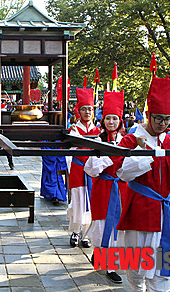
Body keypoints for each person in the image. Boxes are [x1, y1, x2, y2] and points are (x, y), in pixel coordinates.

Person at [113, 76, 170, 291]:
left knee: (164, 270)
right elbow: (123, 173)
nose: (163, 124)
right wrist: (143, 151)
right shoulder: (131, 140)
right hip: (140, 210)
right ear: (148, 115)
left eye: (167, 119)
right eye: (158, 118)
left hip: (167, 214)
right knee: (137, 267)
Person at [84, 91, 126, 284]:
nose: (111, 122)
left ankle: (111, 264)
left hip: (121, 189)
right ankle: (99, 254)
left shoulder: (127, 141)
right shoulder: (98, 141)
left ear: (120, 120)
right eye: (108, 118)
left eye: (114, 118)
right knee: (101, 224)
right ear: (103, 120)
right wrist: (108, 157)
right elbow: (90, 169)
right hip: (103, 187)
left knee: (118, 226)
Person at [67, 88, 100, 248]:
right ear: (78, 111)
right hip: (78, 169)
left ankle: (86, 235)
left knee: (91, 202)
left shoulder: (97, 130)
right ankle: (75, 232)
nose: (87, 112)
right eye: (84, 109)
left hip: (92, 172)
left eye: (90, 109)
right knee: (78, 202)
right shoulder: (73, 129)